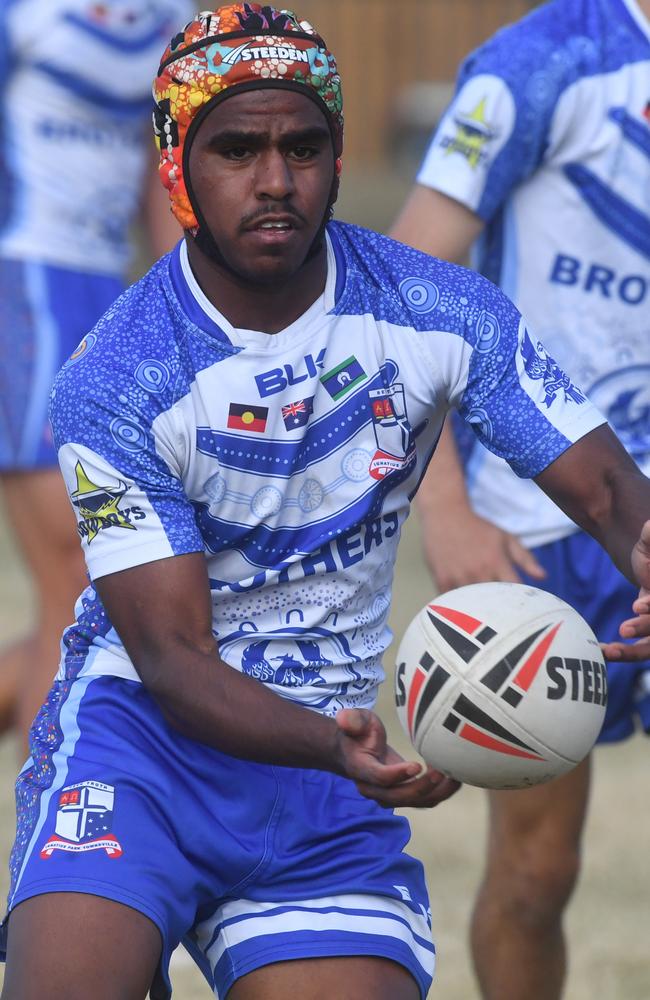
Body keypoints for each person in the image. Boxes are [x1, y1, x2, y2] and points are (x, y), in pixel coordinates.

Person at [2, 3, 650, 998]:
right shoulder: (115, 376)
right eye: (236, 150)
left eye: (302, 146)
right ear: (177, 165)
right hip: (142, 756)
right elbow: (173, 664)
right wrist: (345, 748)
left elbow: (604, 486)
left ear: (339, 157)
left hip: (320, 789)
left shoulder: (442, 311)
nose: (274, 180)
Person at [390, 0, 650, 997]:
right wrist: (444, 504)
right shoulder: (543, 62)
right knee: (537, 873)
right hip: (546, 521)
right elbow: (409, 283)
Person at [0, 0, 189, 750]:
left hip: (106, 295)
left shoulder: (173, 14)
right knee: (80, 586)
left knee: (101, 594)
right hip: (23, 289)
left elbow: (160, 175)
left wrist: (187, 300)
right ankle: (54, 838)